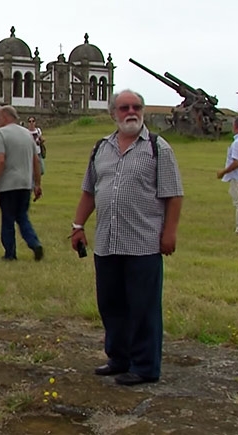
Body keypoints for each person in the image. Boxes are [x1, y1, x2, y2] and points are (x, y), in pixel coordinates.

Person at [70, 89, 184, 386]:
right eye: (124, 108)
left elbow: (173, 195)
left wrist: (169, 233)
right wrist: (78, 225)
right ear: (113, 113)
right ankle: (118, 358)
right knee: (111, 304)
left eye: (136, 107)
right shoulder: (101, 148)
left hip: (143, 242)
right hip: (107, 242)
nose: (130, 112)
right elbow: (89, 192)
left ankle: (145, 366)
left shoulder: (158, 148)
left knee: (143, 307)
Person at [0, 106, 43, 261]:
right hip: (25, 183)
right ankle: (34, 243)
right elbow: (36, 160)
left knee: (8, 219)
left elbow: (1, 159)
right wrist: (37, 183)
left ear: (5, 117)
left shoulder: (1, 133)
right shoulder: (27, 134)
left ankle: (10, 254)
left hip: (8, 183)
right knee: (22, 216)